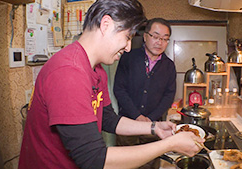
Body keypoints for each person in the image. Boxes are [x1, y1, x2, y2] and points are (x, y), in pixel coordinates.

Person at [18, 1, 204, 169]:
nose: (129, 47)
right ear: (106, 25)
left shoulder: (97, 70)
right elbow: (93, 158)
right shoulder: (68, 72)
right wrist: (171, 144)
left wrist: (154, 127)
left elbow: (108, 119)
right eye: (127, 37)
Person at [113, 18, 176, 168]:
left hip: (154, 129)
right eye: (155, 36)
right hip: (126, 126)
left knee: (150, 164)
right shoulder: (128, 58)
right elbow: (119, 89)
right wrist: (137, 116)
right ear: (145, 36)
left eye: (164, 39)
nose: (159, 42)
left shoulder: (169, 66)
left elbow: (169, 96)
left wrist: (149, 119)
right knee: (124, 164)